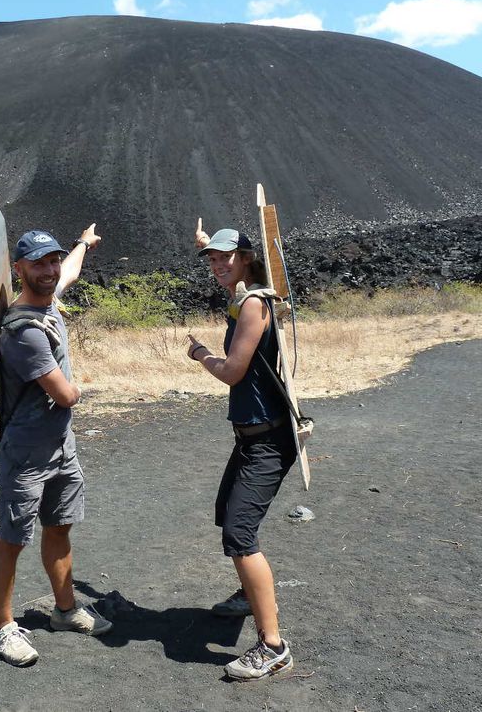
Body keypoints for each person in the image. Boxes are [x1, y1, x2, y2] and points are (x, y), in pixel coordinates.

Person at [0, 223, 111, 667]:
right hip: (27, 453)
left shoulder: (49, 301)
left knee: (59, 527)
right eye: (38, 262)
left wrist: (83, 243)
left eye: (52, 260)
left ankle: (64, 610)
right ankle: (3, 629)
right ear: (18, 268)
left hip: (61, 445)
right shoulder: (24, 331)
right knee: (13, 538)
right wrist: (83, 388)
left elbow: (70, 273)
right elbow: (64, 394)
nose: (50, 269)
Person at [186, 219, 296, 681]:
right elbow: (234, 295)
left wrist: (200, 355)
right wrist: (209, 244)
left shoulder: (254, 305)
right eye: (211, 259)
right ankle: (247, 596)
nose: (216, 265)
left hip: (268, 439)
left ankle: (273, 646)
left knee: (239, 533)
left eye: (225, 257)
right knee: (226, 513)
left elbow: (232, 372)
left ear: (248, 258)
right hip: (251, 436)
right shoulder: (244, 299)